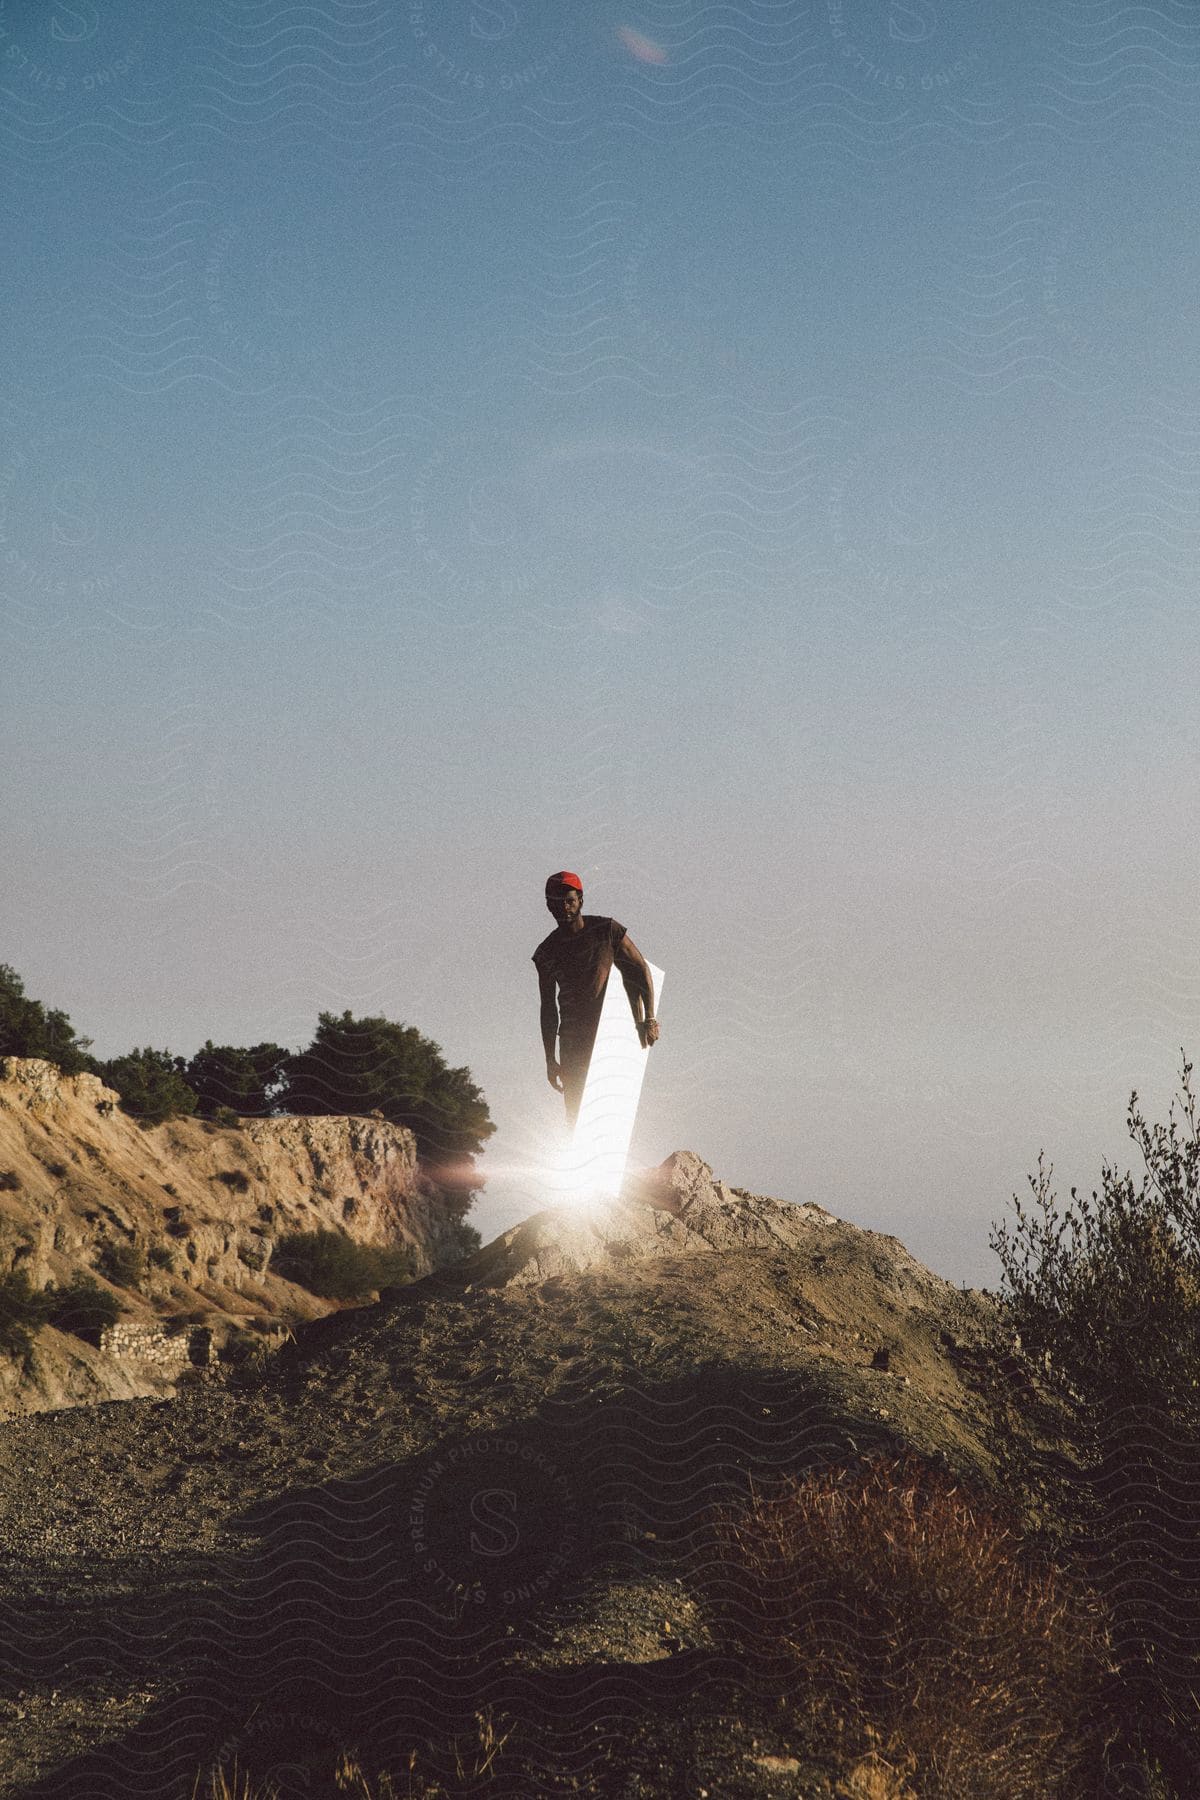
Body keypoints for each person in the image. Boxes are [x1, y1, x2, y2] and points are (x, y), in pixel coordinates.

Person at [533, 870, 660, 1127]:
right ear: (549, 906)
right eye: (557, 902)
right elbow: (548, 1008)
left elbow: (639, 969)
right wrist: (549, 1058)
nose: (564, 907)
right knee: (575, 1114)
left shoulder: (606, 930)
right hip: (572, 1042)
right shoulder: (546, 952)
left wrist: (649, 1019)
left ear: (580, 900)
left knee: (611, 1105)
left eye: (569, 900)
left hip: (609, 1033)